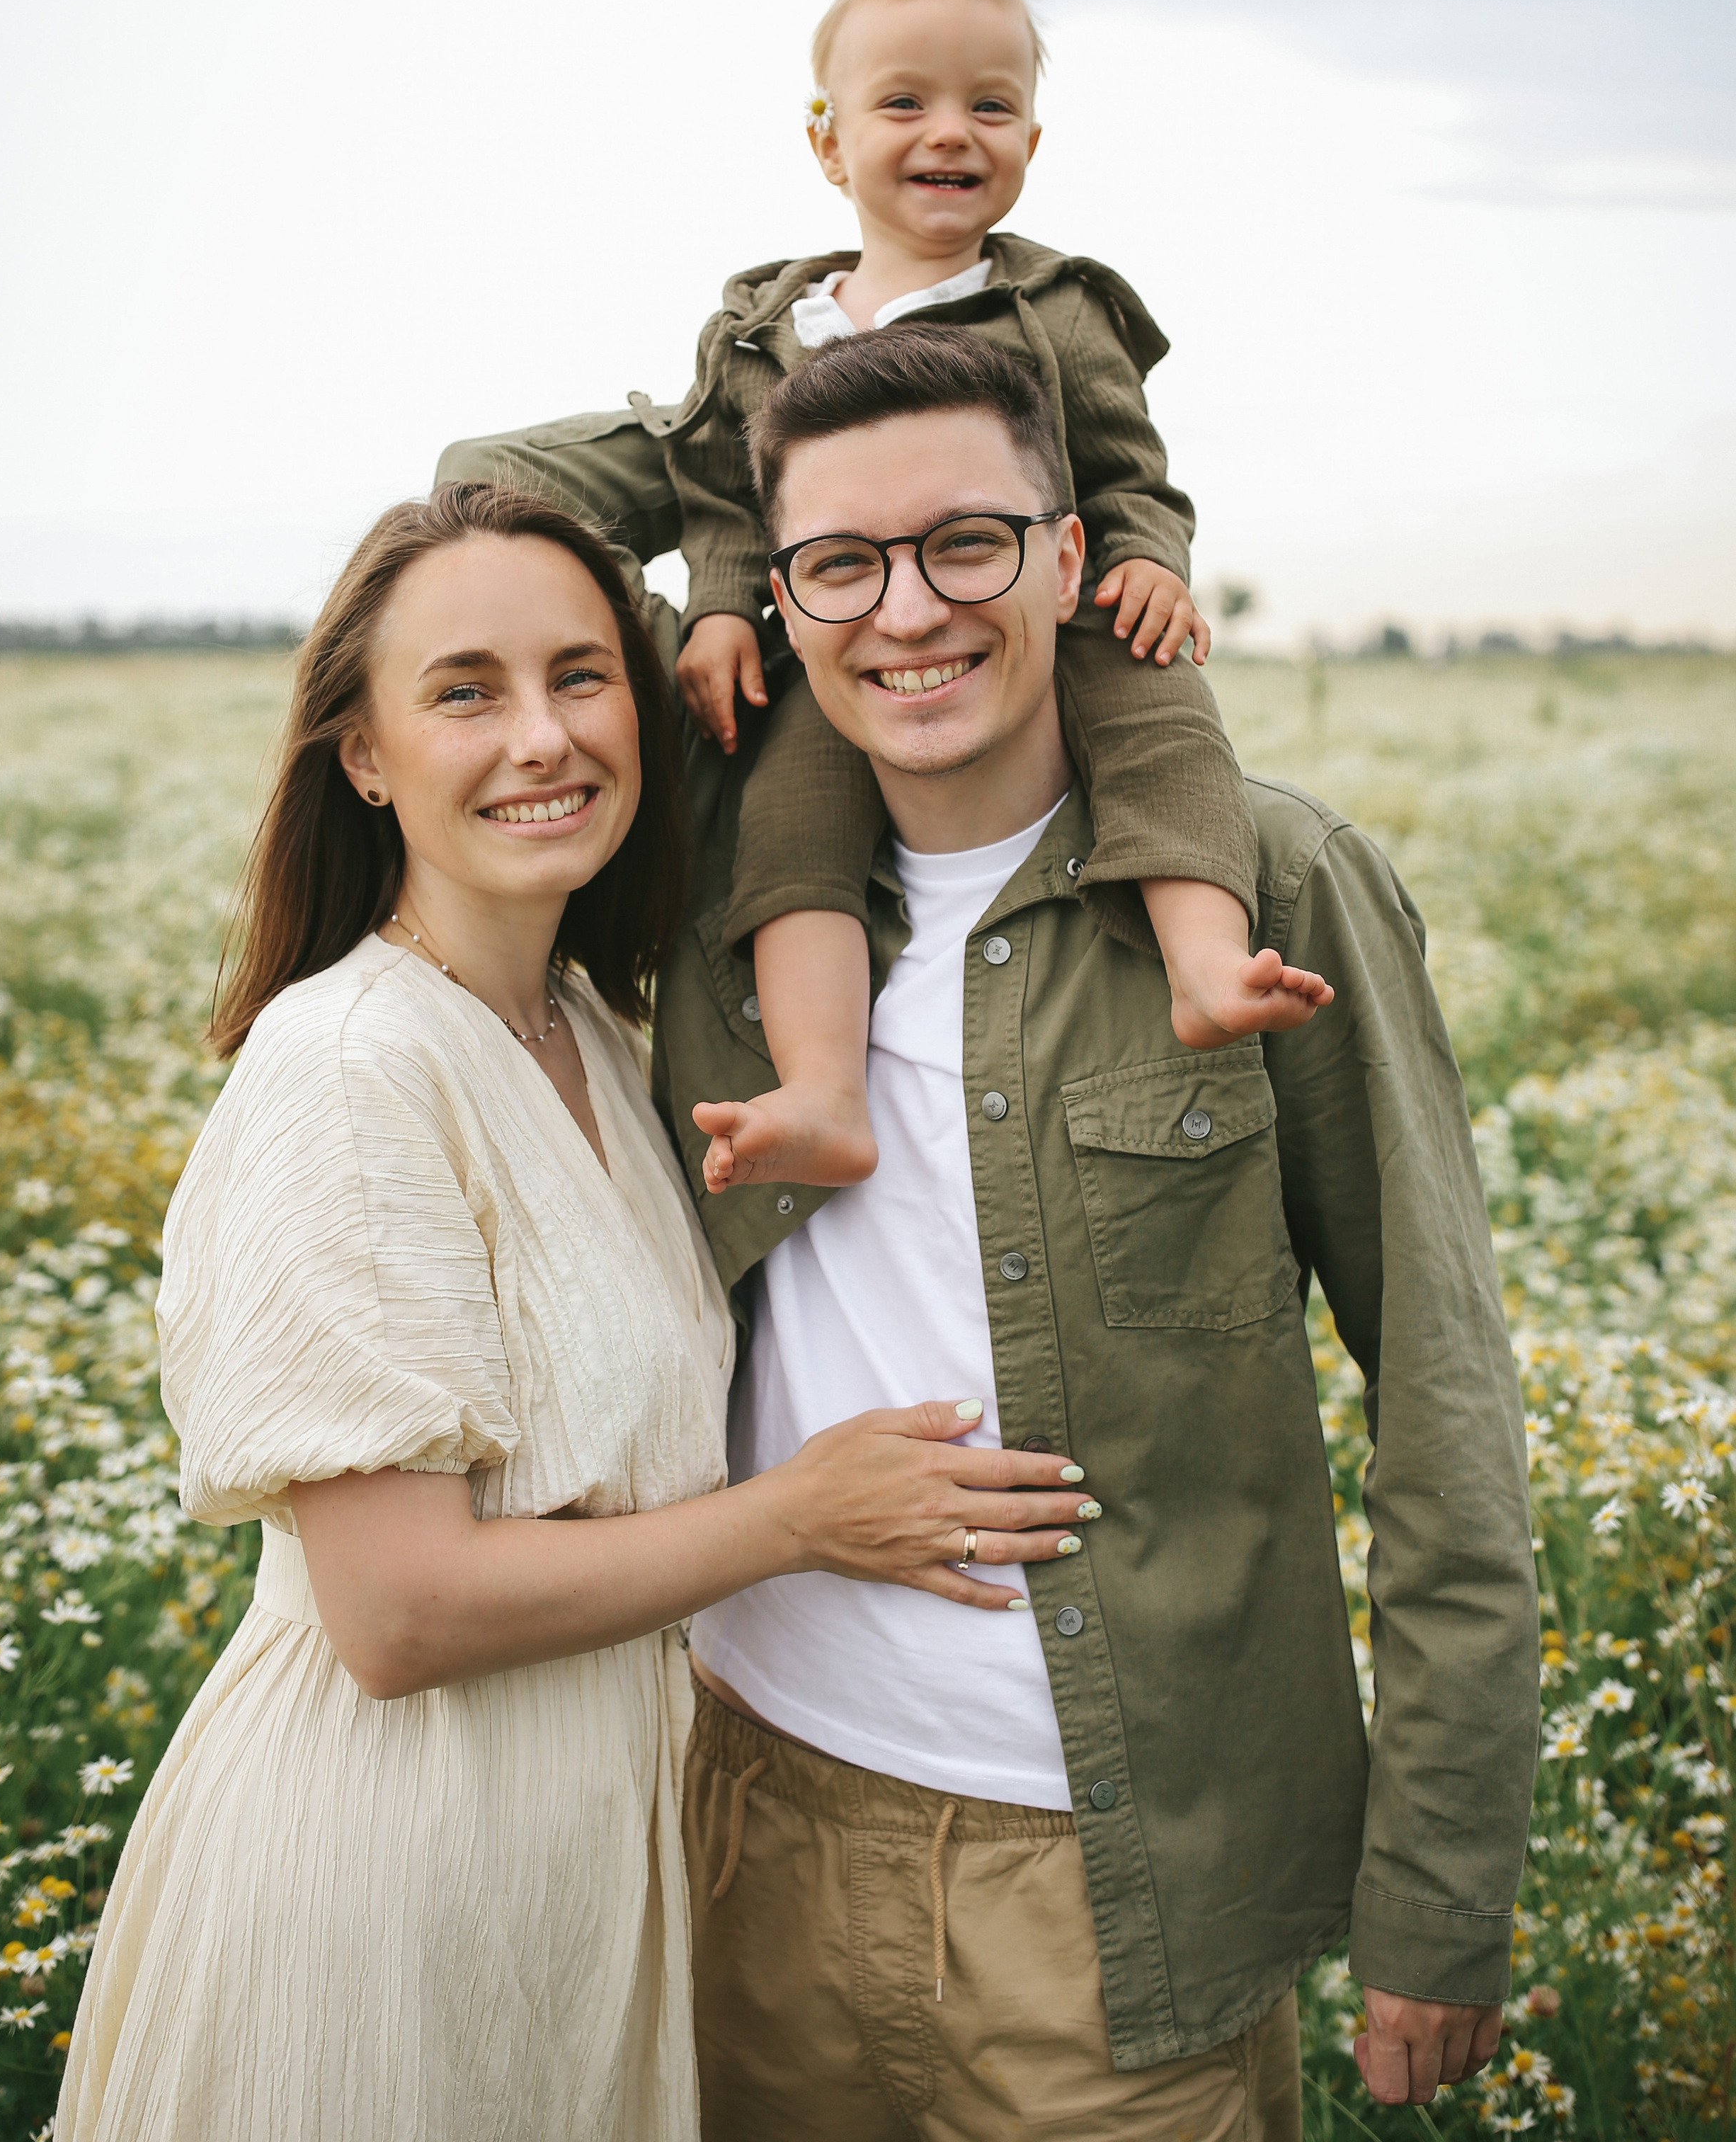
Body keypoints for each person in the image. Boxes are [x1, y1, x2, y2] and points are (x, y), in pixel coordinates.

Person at [453, 336, 1541, 2138]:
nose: (906, 615)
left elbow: (1442, 1399)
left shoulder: (1267, 887)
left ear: (1068, 555)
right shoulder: (714, 860)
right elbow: (493, 485)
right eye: (842, 565)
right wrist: (743, 432)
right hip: (742, 1825)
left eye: (967, 543)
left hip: (1116, 1897)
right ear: (780, 595)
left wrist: (1441, 1887)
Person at [55, 482, 1100, 2142]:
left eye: (581, 675)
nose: (540, 736)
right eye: (465, 690)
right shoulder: (352, 1066)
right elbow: (394, 1615)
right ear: (367, 754)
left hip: (576, 1879)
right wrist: (800, 1519)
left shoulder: (600, 1042)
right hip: (388, 1886)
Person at [443, 0, 1331, 1210]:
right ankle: (825, 1091)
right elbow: (723, 505)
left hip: (1059, 628)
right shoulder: (767, 334)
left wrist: (1146, 564)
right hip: (842, 653)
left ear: (1030, 134)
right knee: (788, 835)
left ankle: (1204, 967)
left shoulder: (1060, 312)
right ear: (828, 141)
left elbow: (1132, 472)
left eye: (990, 104)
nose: (950, 133)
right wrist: (715, 613)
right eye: (905, 104)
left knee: (1171, 730)